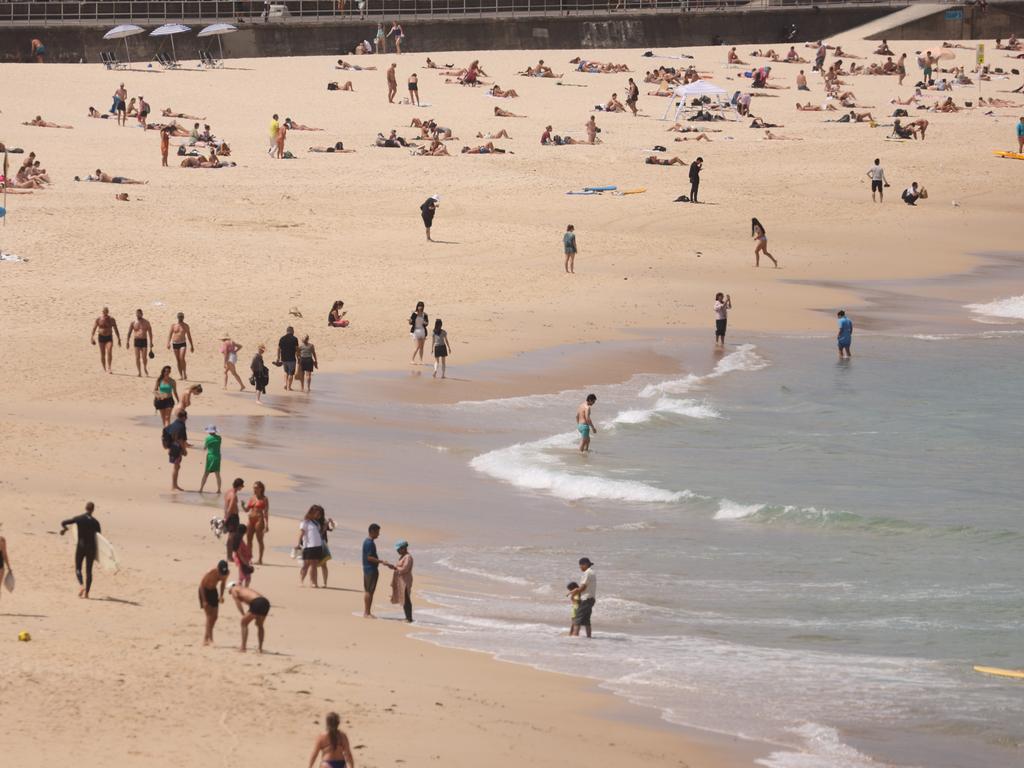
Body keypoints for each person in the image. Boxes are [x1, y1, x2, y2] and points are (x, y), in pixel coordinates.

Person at [59, 502, 101, 599]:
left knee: (78, 568)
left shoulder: (79, 518)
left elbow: (63, 522)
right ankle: (87, 593)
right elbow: (99, 538)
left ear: (85, 508)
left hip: (81, 547)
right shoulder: (96, 522)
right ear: (93, 510)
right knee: (89, 571)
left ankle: (81, 585)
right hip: (91, 548)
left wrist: (65, 529)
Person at [228, 583, 270, 653]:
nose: (230, 593)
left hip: (257, 602)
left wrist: (242, 613)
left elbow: (238, 603)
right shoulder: (244, 588)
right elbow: (252, 601)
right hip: (265, 602)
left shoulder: (234, 589)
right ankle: (260, 648)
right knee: (259, 625)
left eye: (229, 592)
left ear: (230, 588)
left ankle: (243, 648)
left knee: (243, 623)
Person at [362, 523, 392, 618]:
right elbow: (369, 557)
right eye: (377, 532)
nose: (378, 534)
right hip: (371, 569)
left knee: (368, 591)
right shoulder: (370, 543)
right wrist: (382, 561)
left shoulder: (366, 541)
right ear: (372, 531)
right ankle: (367, 613)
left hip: (367, 569)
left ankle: (367, 612)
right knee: (369, 591)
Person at [199, 560, 229, 646]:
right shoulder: (210, 572)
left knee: (215, 616)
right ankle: (209, 639)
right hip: (204, 592)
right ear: (217, 568)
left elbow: (223, 584)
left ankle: (206, 638)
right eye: (220, 572)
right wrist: (204, 600)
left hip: (213, 592)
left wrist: (221, 595)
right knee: (209, 616)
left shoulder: (226, 573)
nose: (221, 574)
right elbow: (201, 586)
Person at [568, 557, 596, 638]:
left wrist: (574, 592)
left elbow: (583, 588)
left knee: (577, 620)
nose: (580, 568)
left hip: (585, 599)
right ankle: (589, 638)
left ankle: (574, 638)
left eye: (580, 566)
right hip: (591, 599)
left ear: (585, 564)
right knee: (587, 621)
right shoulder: (592, 572)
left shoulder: (587, 573)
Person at [298, 505, 326, 587]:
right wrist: (298, 544)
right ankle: (301, 581)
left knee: (314, 565)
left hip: (318, 546)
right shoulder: (305, 522)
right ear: (312, 513)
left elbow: (319, 534)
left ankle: (314, 582)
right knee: (306, 565)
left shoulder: (317, 523)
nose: (318, 516)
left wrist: (324, 527)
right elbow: (302, 534)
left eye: (319, 514)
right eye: (317, 514)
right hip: (309, 546)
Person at [90, 306, 121, 373]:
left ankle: (109, 367)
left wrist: (118, 338)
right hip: (101, 337)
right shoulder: (99, 319)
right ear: (102, 312)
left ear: (108, 312)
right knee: (102, 353)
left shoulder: (111, 319)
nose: (105, 313)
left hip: (109, 337)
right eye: (104, 311)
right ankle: (104, 368)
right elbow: (94, 328)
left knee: (109, 351)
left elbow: (116, 329)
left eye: (106, 311)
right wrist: (92, 337)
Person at [245, 481, 270, 565]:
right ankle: (249, 559)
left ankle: (260, 559)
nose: (254, 489)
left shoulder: (265, 499)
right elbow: (246, 510)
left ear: (261, 489)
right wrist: (242, 506)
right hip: (250, 519)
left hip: (259, 519)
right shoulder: (252, 498)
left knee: (259, 540)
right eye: (254, 488)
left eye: (256, 488)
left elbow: (266, 512)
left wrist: (267, 525)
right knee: (249, 540)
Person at [164, 409, 189, 491]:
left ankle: (175, 485)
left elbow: (168, 432)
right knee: (176, 467)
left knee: (177, 466)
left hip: (172, 447)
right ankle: (174, 485)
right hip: (176, 449)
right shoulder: (181, 426)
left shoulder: (174, 424)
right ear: (183, 417)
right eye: (186, 417)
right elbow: (181, 440)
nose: (186, 418)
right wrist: (184, 450)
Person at [390, 540, 414, 622]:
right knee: (404, 599)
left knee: (406, 599)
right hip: (401, 580)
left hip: (406, 580)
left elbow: (405, 569)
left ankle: (409, 618)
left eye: (399, 549)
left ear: (404, 548)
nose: (398, 551)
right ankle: (407, 617)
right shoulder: (403, 556)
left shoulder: (408, 557)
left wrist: (394, 567)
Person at [126, 308, 154, 377]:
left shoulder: (146, 322)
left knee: (144, 357)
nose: (138, 315)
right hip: (137, 341)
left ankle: (144, 367)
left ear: (142, 314)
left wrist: (151, 342)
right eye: (137, 313)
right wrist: (127, 341)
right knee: (137, 357)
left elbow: (150, 333)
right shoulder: (133, 322)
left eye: (139, 314)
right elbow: (129, 332)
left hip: (144, 340)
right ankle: (139, 372)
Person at [167, 312, 195, 380]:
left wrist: (192, 345)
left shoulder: (186, 326)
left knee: (182, 358)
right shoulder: (174, 325)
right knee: (178, 360)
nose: (180, 318)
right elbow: (170, 334)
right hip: (175, 343)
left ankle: (184, 373)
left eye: (182, 317)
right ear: (177, 317)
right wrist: (168, 343)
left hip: (182, 343)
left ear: (183, 317)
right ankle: (181, 375)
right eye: (179, 317)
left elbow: (189, 336)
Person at [223, 477, 244, 560]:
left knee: (231, 536)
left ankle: (230, 555)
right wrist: (226, 518)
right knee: (232, 537)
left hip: (229, 516)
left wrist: (225, 516)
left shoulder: (228, 492)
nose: (242, 488)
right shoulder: (234, 495)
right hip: (233, 517)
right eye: (242, 486)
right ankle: (229, 556)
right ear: (239, 486)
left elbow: (225, 506)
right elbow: (231, 507)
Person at [199, 425, 222, 494]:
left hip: (210, 457)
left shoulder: (208, 438)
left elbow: (205, 448)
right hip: (218, 456)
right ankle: (219, 489)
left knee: (206, 473)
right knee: (217, 474)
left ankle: (201, 489)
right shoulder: (219, 438)